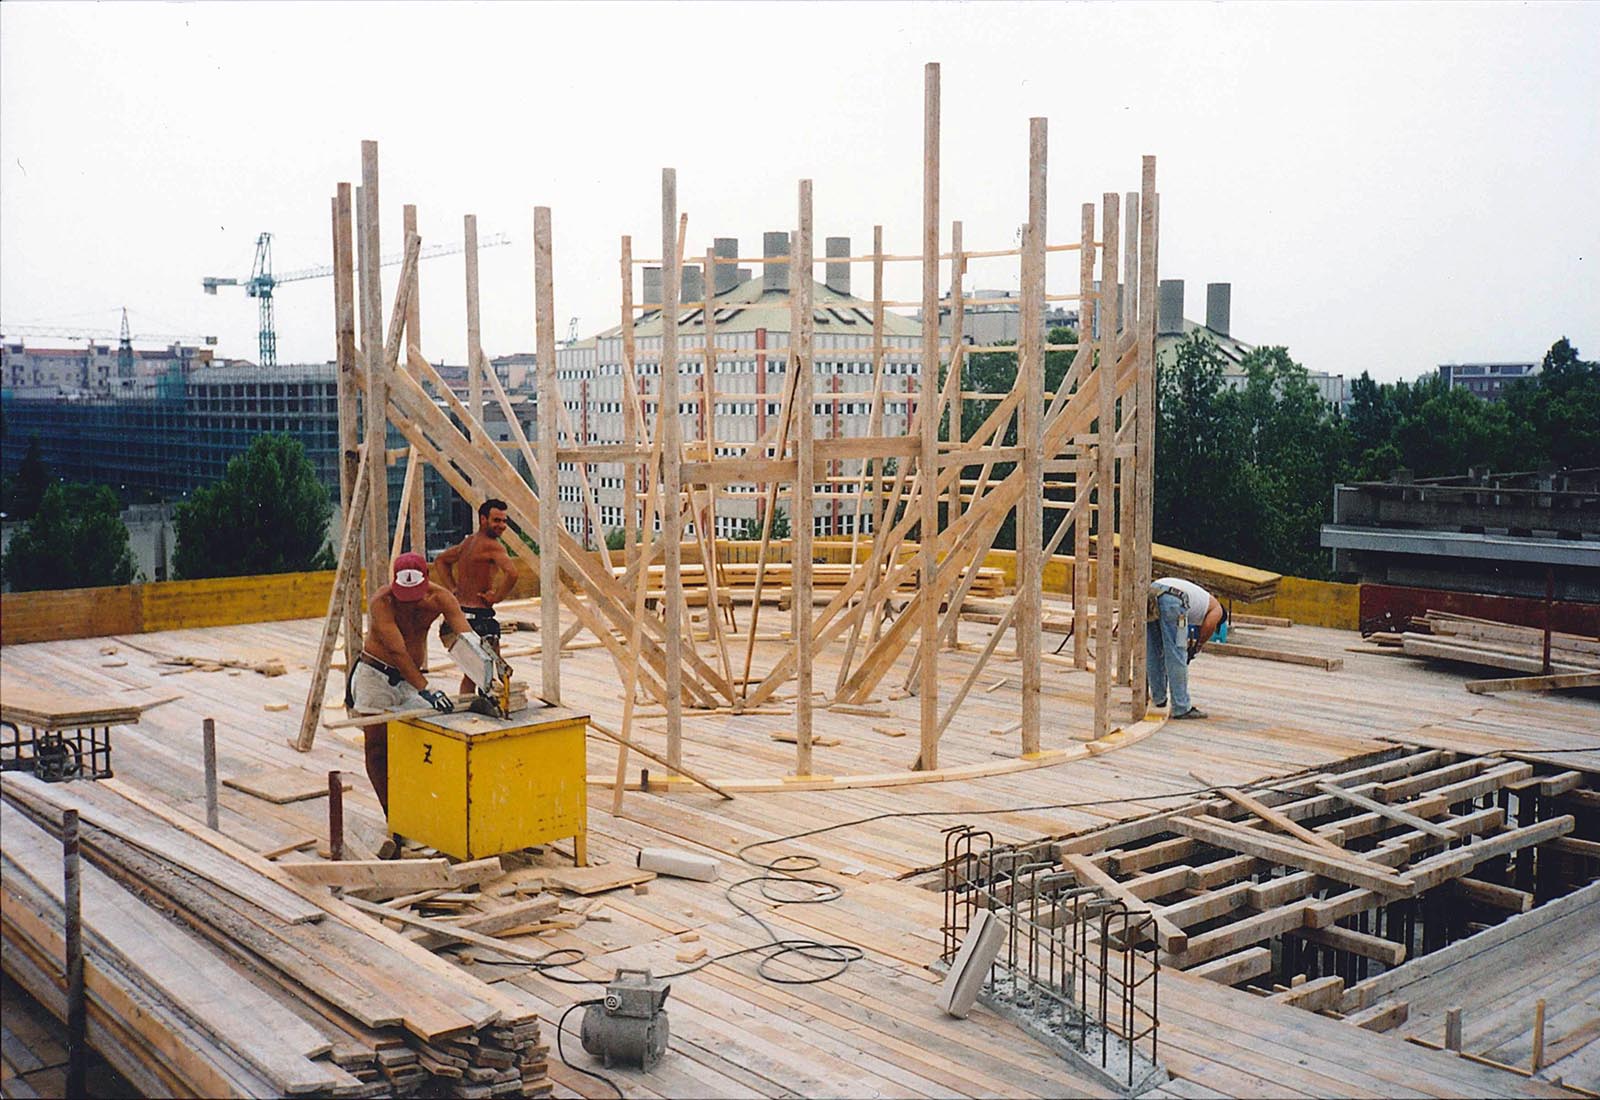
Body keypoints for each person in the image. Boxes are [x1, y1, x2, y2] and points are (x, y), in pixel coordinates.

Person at [348, 551, 476, 817]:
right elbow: (397, 651)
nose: (407, 603)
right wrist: (426, 688)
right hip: (375, 676)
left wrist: (487, 671)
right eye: (402, 595)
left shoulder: (441, 598)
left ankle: (417, 809)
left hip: (410, 681)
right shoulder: (382, 601)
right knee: (376, 748)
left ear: (426, 580)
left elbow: (467, 639)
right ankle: (391, 813)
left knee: (421, 741)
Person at [433, 499, 517, 694]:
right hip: (479, 619)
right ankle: (496, 709)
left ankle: (472, 707)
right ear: (483, 519)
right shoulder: (492, 546)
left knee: (472, 673)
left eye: (504, 521)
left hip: (458, 618)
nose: (502, 526)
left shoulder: (468, 542)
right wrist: (497, 597)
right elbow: (512, 573)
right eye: (497, 520)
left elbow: (441, 561)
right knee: (490, 671)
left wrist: (453, 589)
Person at [1146, 576, 1229, 720]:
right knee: (1177, 654)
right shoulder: (1217, 609)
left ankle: (1158, 698)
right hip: (1175, 599)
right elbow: (1209, 626)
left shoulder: (1201, 600)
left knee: (1154, 650)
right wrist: (1197, 646)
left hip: (1153, 591)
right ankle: (1181, 706)